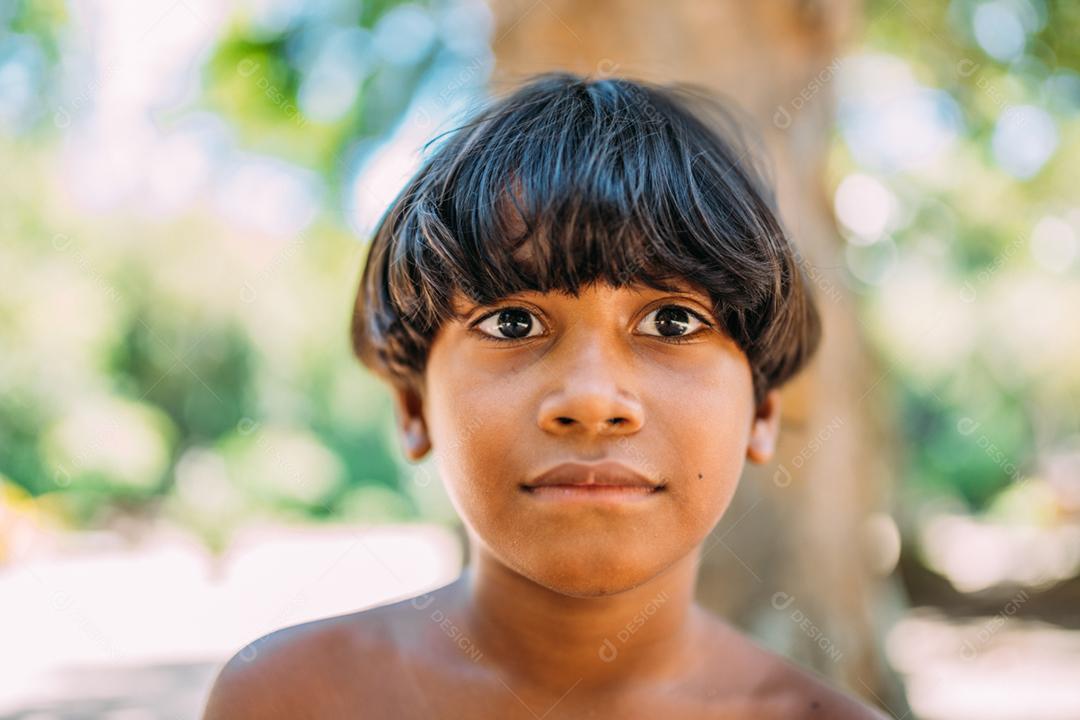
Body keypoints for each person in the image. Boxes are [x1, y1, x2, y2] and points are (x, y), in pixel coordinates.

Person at [202, 71, 890, 719]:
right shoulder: (289, 699)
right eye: (513, 323)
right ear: (413, 408)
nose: (592, 400)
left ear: (762, 411)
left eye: (673, 322)